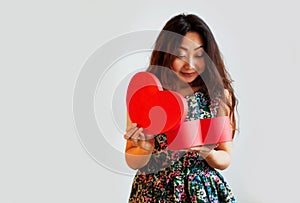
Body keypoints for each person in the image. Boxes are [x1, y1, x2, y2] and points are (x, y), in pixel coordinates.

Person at [124, 13, 238, 203]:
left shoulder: (217, 96)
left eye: (199, 55)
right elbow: (132, 161)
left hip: (201, 190)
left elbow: (225, 157)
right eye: (180, 55)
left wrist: (207, 152)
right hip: (152, 191)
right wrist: (144, 148)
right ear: (166, 54)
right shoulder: (146, 93)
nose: (190, 65)